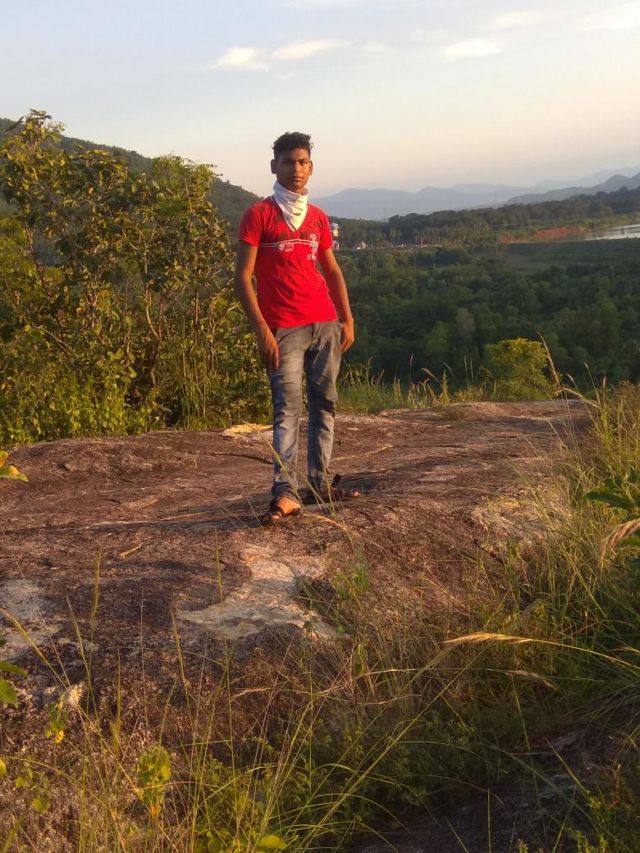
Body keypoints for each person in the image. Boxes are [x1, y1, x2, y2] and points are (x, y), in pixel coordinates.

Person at [234, 131, 359, 524]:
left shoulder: (317, 217)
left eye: (303, 162)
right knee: (286, 409)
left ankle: (320, 484)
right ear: (274, 166)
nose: (296, 169)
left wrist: (346, 317)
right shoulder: (259, 215)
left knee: (325, 404)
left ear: (311, 167)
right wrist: (261, 330)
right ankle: (285, 493)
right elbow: (243, 277)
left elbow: (332, 271)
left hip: (324, 322)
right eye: (288, 162)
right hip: (283, 327)